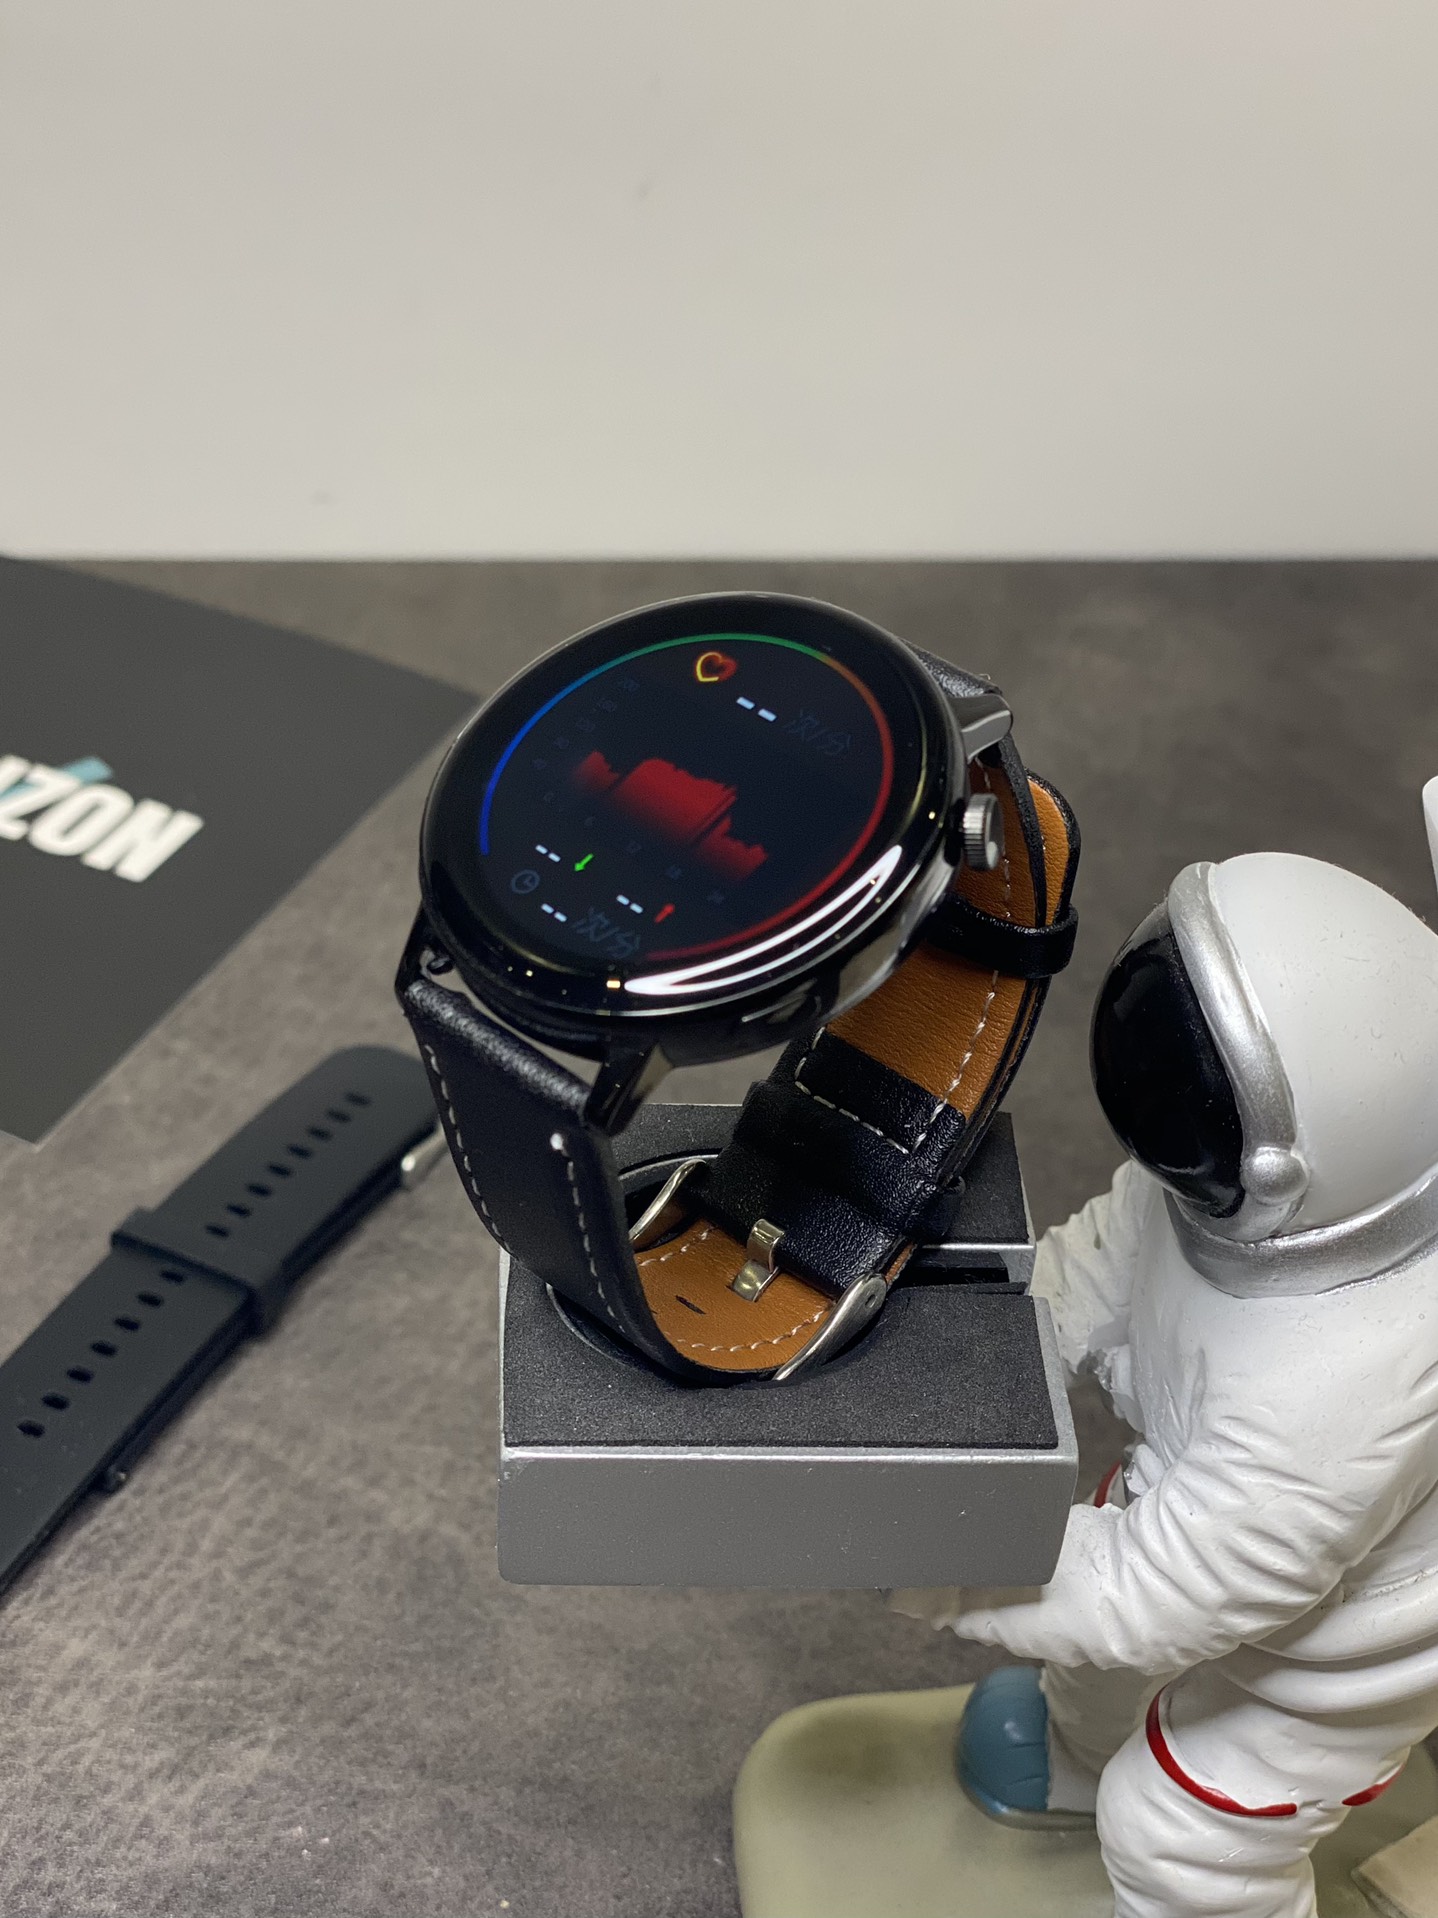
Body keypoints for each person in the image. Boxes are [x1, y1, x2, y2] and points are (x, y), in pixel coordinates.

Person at [894, 836, 1438, 1918]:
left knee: (1186, 1828)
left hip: (1365, 1629)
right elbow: (1093, 1273)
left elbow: (1164, 1587)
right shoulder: (1221, 1172)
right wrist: (947, 1381)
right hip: (1222, 1513)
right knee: (1104, 1659)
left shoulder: (1350, 1380)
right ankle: (1080, 1756)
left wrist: (944, 1561)